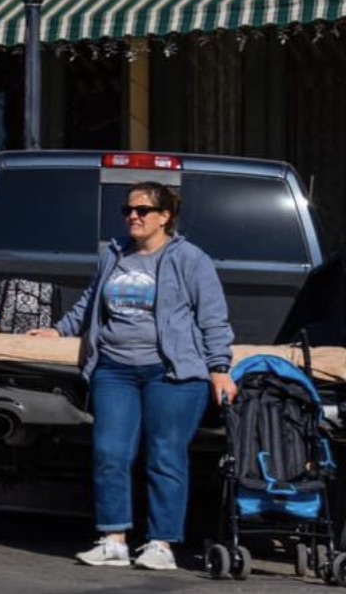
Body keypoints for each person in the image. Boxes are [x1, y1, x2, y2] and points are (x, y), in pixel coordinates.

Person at [30, 181, 235, 571]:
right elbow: (90, 302)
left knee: (165, 455)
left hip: (172, 373)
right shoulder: (114, 254)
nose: (133, 217)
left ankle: (161, 544)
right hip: (115, 369)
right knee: (110, 451)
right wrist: (60, 330)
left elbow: (213, 318)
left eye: (142, 210)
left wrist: (219, 369)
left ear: (165, 217)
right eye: (128, 211)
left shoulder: (191, 259)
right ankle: (114, 540)